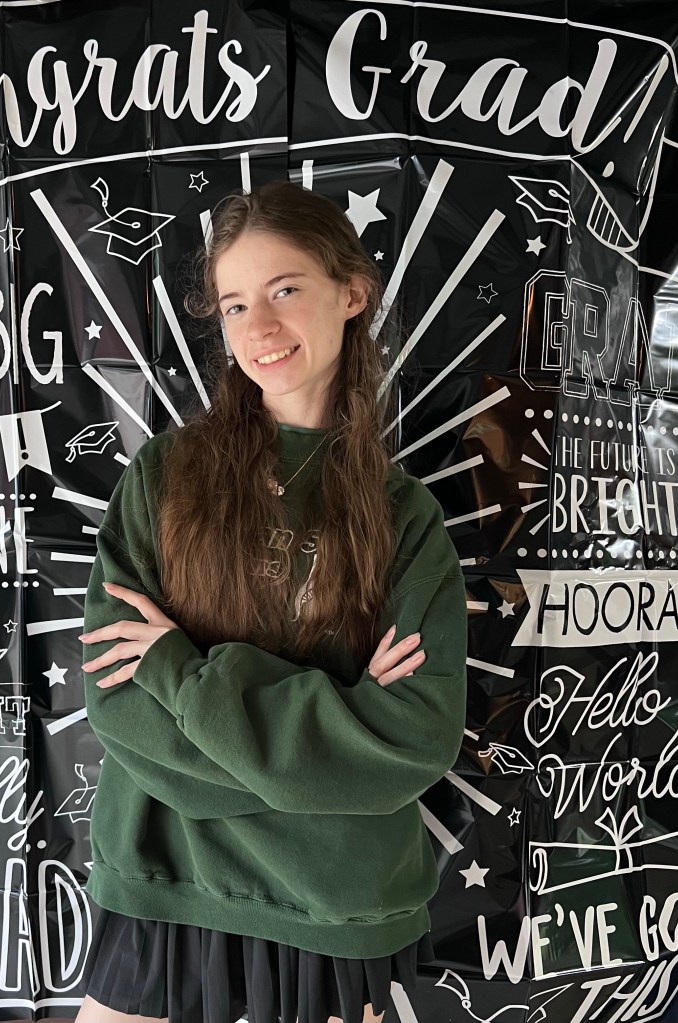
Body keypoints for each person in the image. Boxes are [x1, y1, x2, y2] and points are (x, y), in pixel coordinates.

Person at [76, 179, 468, 1023]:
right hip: (167, 875)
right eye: (233, 304)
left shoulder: (404, 519)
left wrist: (180, 673)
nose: (256, 327)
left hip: (335, 902)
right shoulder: (165, 477)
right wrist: (326, 739)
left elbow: (412, 738)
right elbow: (115, 697)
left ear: (351, 293)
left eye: (284, 290)